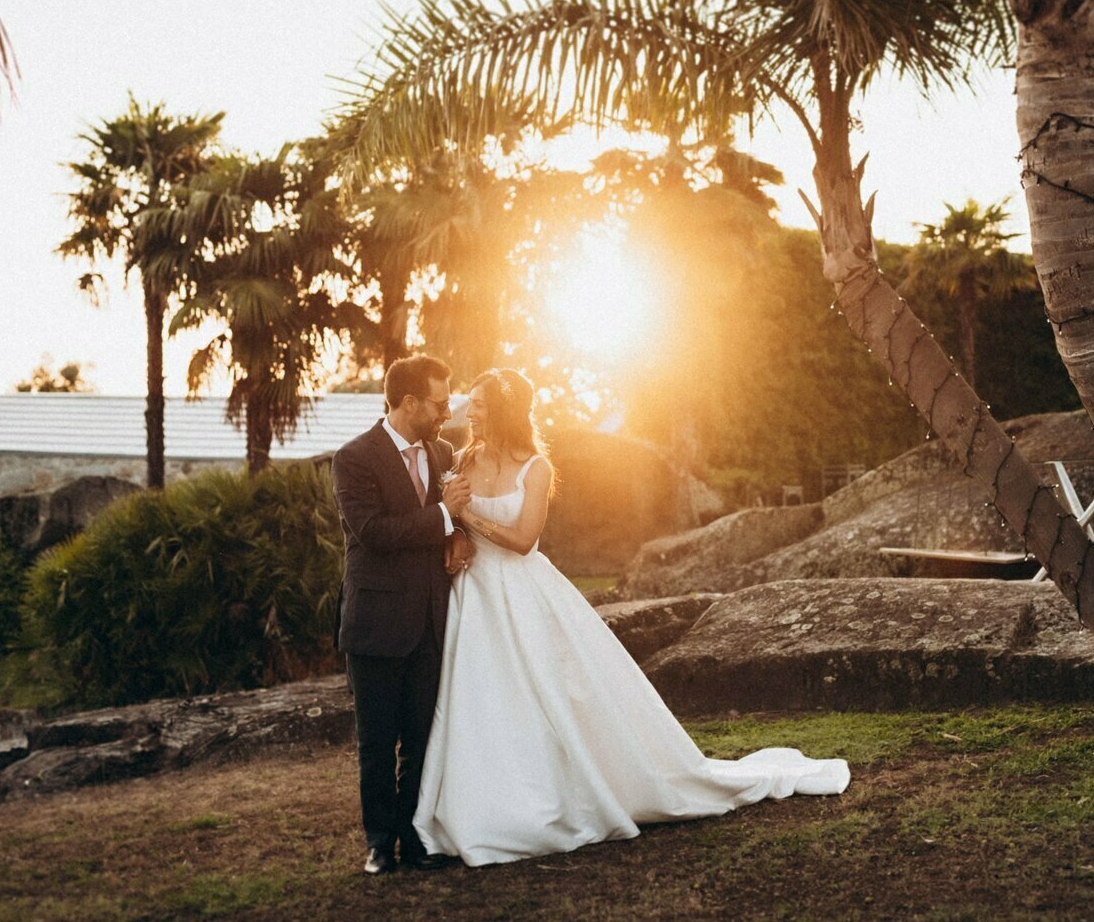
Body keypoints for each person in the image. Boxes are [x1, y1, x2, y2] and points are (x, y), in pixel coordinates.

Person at [412, 368, 849, 867]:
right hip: (474, 596)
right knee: (477, 698)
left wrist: (466, 520)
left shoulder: (536, 468)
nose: (473, 412)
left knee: (550, 692)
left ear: (505, 410)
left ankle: (556, 794)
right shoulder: (463, 458)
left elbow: (525, 540)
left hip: (523, 592)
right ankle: (475, 805)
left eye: (483, 404)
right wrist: (457, 538)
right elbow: (452, 524)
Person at [331, 354, 476, 875]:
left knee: (420, 737)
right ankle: (379, 844)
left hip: (432, 619)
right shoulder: (354, 458)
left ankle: (416, 841)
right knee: (376, 741)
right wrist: (444, 516)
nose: (447, 412)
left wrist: (457, 535)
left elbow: (451, 526)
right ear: (409, 402)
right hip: (374, 623)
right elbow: (374, 533)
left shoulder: (443, 452)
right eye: (439, 403)